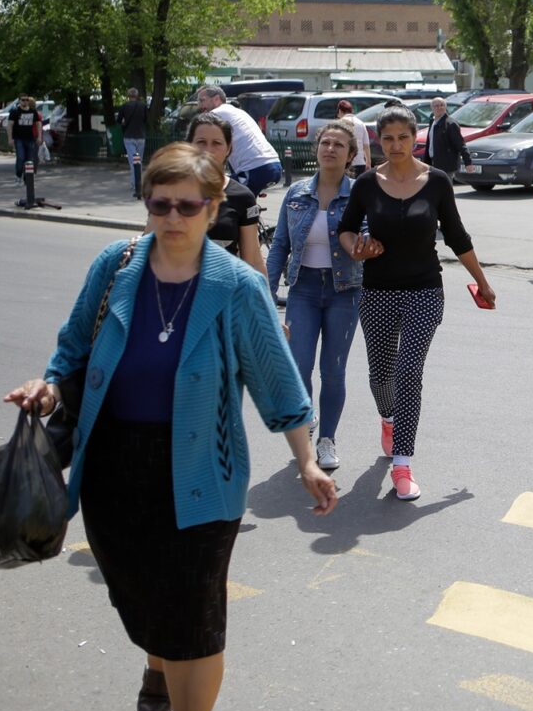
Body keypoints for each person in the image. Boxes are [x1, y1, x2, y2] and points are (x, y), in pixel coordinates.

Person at [3, 143, 336, 711]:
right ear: (146, 204)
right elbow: (75, 343)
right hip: (110, 470)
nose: (173, 218)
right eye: (161, 205)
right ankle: (157, 678)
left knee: (193, 619)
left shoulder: (237, 287)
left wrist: (305, 459)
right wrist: (50, 386)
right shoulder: (117, 264)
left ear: (213, 210)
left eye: (189, 206)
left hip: (202, 472)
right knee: (138, 593)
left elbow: (278, 383)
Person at [338, 105, 494, 501]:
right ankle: (388, 420)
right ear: (377, 140)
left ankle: (403, 464)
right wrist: (356, 249)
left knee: (409, 374)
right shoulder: (366, 184)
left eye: (403, 138)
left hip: (425, 290)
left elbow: (457, 235)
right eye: (387, 138)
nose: (395, 145)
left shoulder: (437, 181)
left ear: (415, 138)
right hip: (377, 292)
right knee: (380, 377)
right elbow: (346, 230)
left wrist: (482, 282)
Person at [267, 118, 364, 473]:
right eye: (325, 143)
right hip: (303, 289)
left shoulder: (360, 194)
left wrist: (365, 247)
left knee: (333, 371)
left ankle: (327, 440)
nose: (330, 149)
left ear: (350, 154)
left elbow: (367, 239)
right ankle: (306, 421)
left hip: (345, 291)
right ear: (317, 148)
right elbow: (279, 246)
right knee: (298, 366)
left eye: (338, 145)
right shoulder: (296, 194)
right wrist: (266, 291)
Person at [186, 113, 267, 277]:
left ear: (228, 148)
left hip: (224, 294)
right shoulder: (169, 190)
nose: (208, 150)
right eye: (201, 142)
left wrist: (264, 299)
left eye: (216, 143)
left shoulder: (242, 197)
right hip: (174, 295)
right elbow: (147, 247)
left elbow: (252, 259)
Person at [196, 85, 282, 193]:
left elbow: (200, 145)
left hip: (255, 169)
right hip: (273, 165)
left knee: (217, 193)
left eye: (202, 101)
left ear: (216, 99)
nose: (199, 106)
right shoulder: (237, 112)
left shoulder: (215, 114)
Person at [423, 96, 470, 180]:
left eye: (442, 105)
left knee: (445, 190)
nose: (439, 107)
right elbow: (430, 143)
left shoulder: (450, 124)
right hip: (434, 162)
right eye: (436, 106)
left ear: (445, 107)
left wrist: (468, 162)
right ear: (432, 108)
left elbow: (460, 144)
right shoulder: (433, 122)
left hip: (446, 165)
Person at [117, 87, 150, 196]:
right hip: (141, 136)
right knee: (139, 161)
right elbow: (146, 120)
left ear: (128, 96)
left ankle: (135, 184)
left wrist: (124, 124)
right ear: (137, 95)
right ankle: (138, 183)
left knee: (133, 162)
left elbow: (119, 121)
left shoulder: (124, 107)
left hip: (129, 136)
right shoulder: (143, 106)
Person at [7, 95, 43, 178]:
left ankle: (27, 178)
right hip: (18, 138)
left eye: (27, 100)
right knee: (20, 157)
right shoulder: (15, 111)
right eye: (23, 100)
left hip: (30, 138)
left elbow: (38, 124)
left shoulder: (33, 111)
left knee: (30, 159)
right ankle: (18, 175)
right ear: (19, 101)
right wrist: (10, 138)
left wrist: (39, 136)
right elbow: (9, 125)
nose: (25, 101)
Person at [335, 99, 370, 175]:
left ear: (340, 111)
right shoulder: (361, 123)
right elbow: (366, 145)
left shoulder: (339, 123)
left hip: (344, 163)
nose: (338, 116)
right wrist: (368, 162)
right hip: (360, 163)